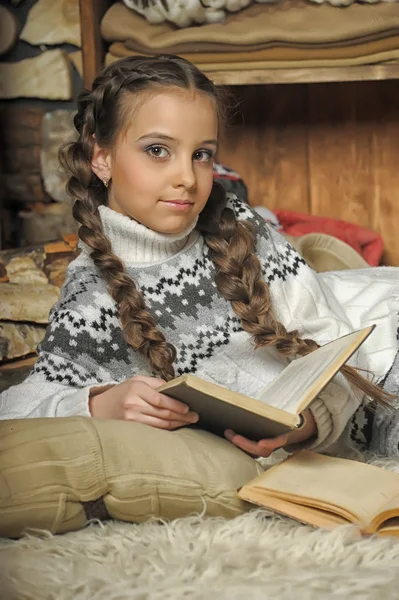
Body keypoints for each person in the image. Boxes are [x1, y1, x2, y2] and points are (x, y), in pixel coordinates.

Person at [0, 55, 398, 458]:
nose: (187, 179)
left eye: (201, 154)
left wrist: (304, 424)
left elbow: (336, 344)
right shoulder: (91, 299)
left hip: (385, 336)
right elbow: (15, 411)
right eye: (157, 150)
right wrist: (98, 404)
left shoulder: (238, 223)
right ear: (100, 157)